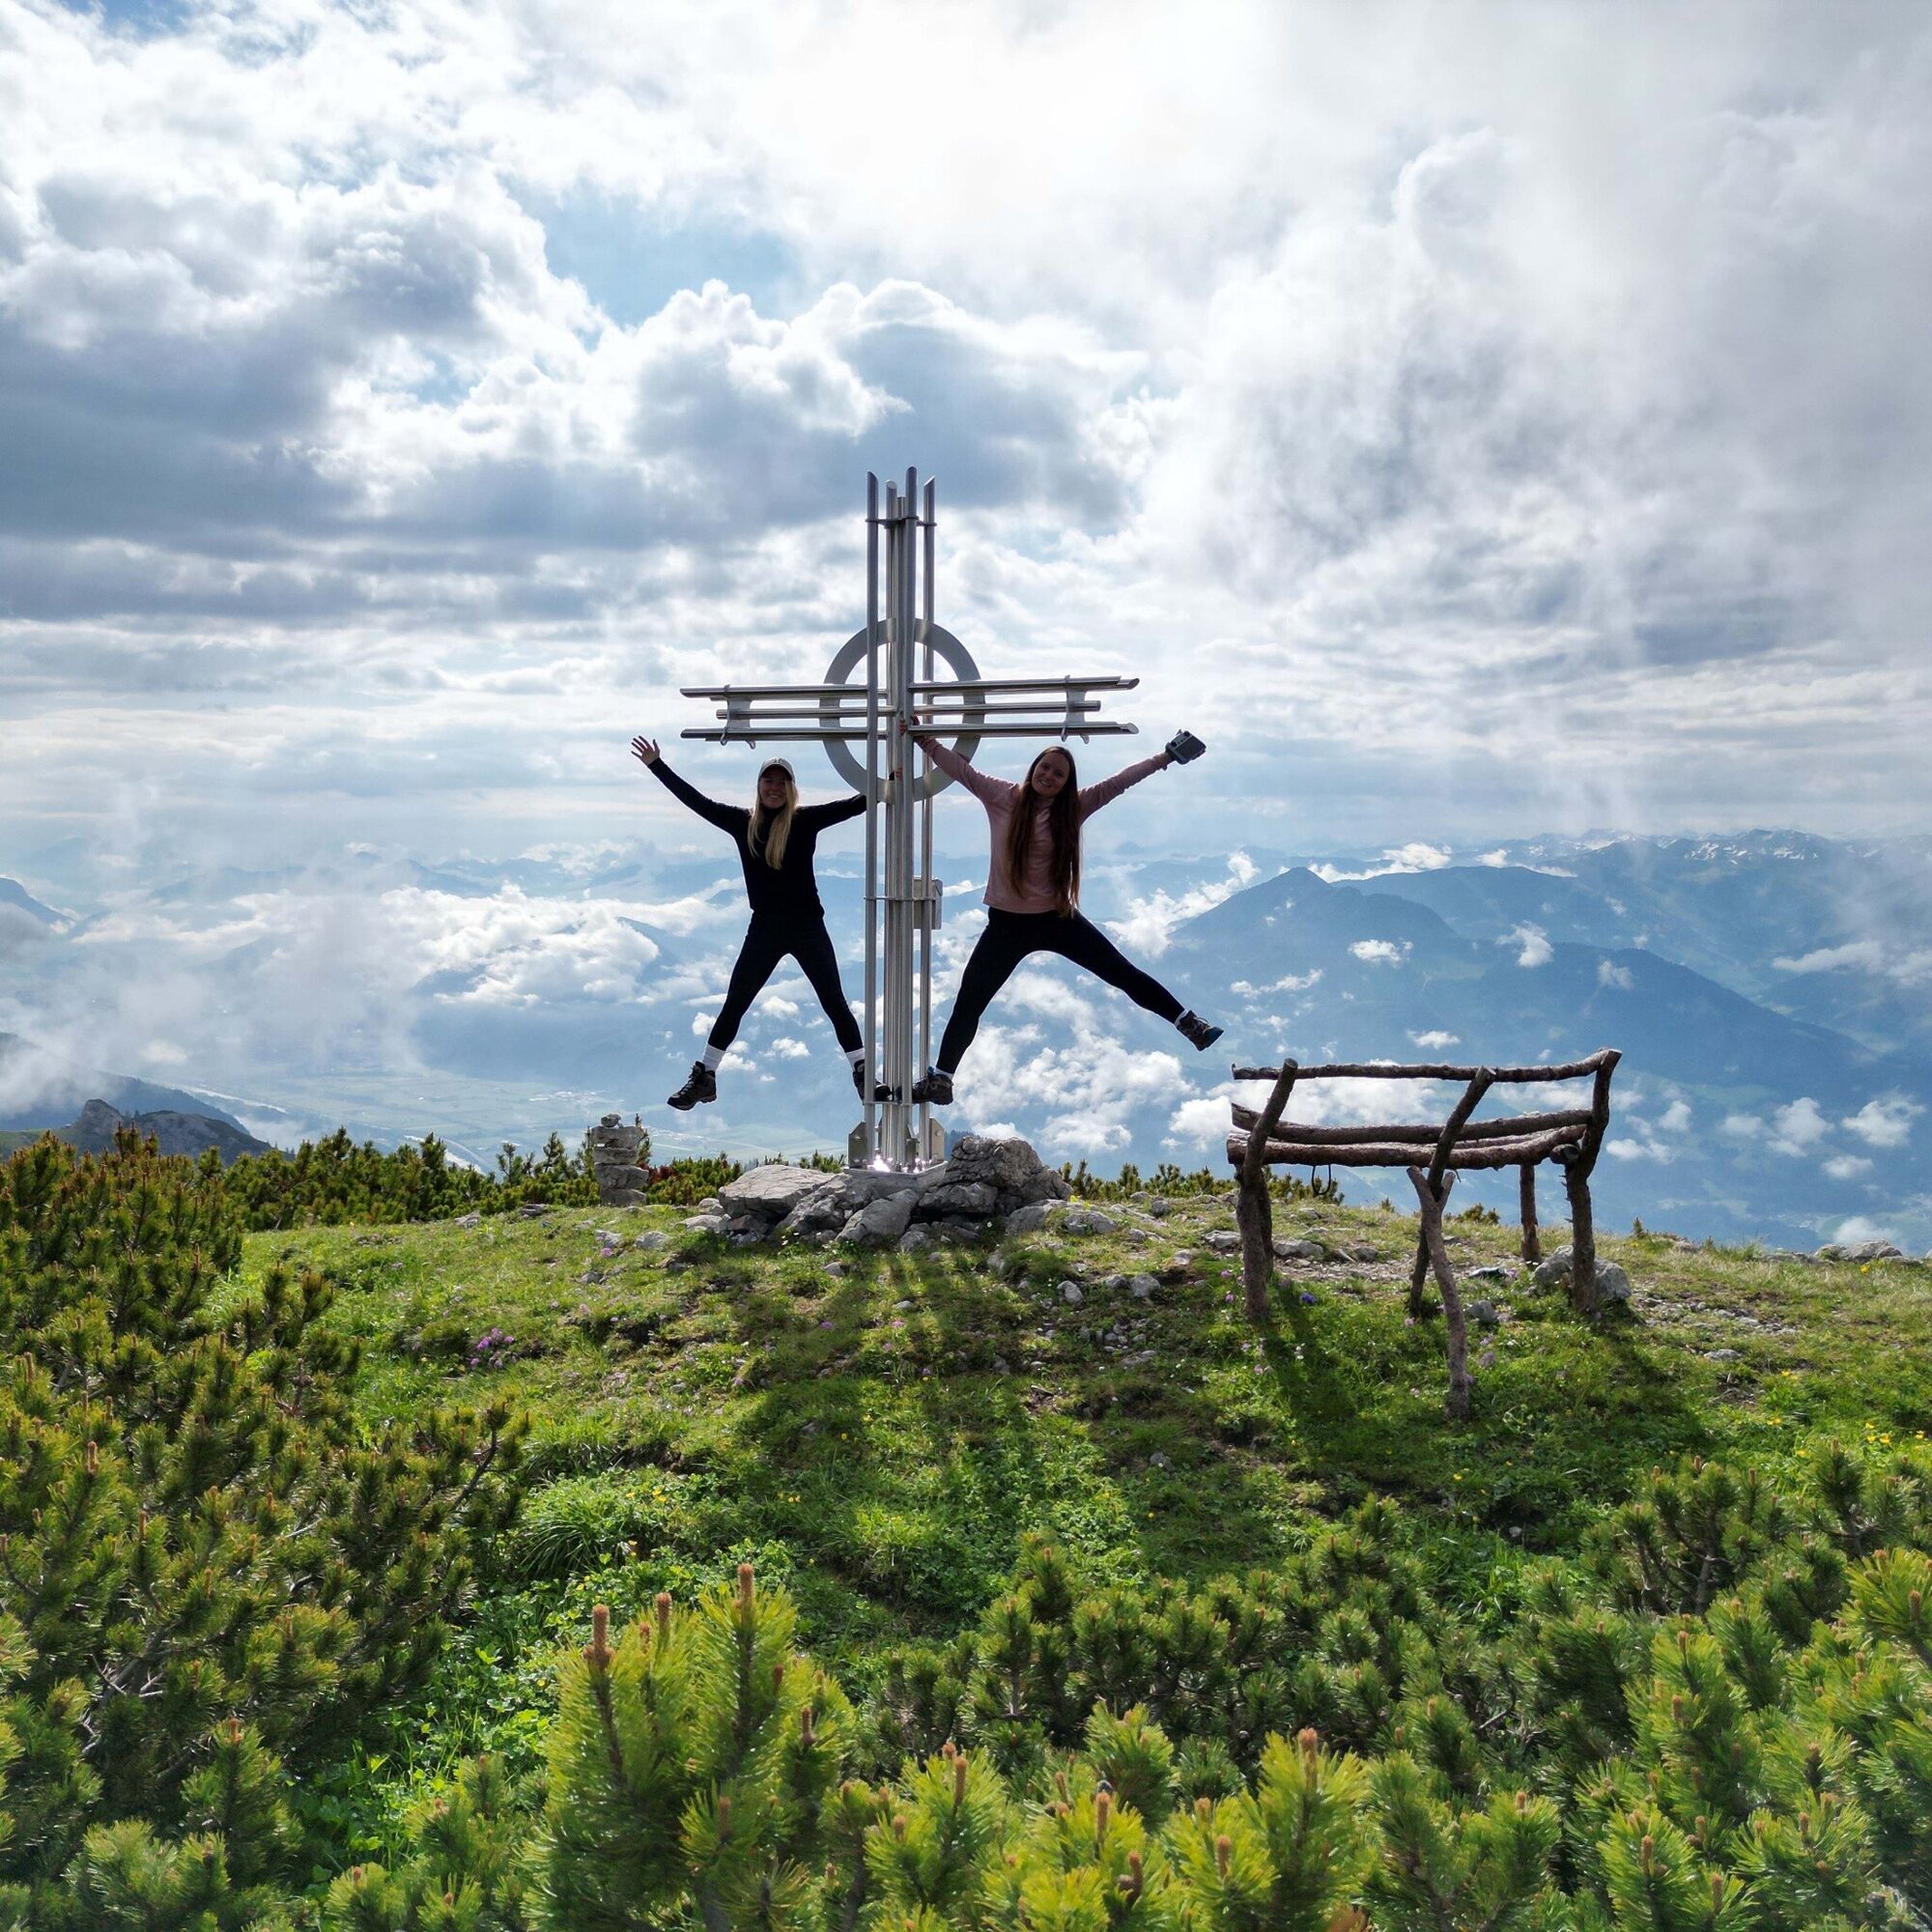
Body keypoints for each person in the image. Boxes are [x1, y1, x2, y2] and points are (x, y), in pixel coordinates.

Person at [903, 725, 1223, 1104]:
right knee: (970, 1001)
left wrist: (1166, 756)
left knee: (1121, 972)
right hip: (1006, 925)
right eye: (1045, 767)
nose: (1049, 776)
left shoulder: (1074, 808)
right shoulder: (1002, 796)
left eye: (1058, 773)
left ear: (1066, 783)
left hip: (1057, 919)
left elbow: (1120, 782)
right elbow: (962, 771)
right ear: (1033, 768)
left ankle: (1189, 1023)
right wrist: (923, 739)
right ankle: (942, 1080)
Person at [632, 737, 876, 1109]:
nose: (774, 788)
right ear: (759, 785)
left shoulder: (804, 821)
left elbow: (857, 804)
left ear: (791, 789)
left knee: (833, 1001)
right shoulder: (741, 822)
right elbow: (696, 801)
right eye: (768, 781)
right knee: (736, 1003)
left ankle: (863, 1073)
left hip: (807, 926)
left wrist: (894, 780)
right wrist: (657, 765)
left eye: (781, 782)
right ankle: (705, 1076)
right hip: (765, 928)